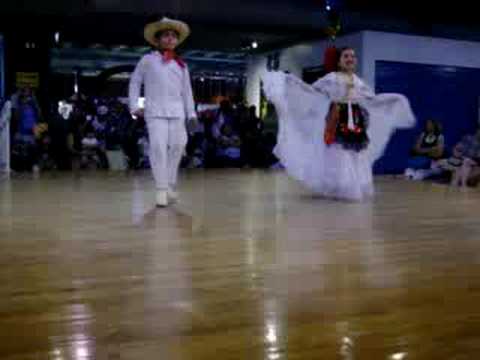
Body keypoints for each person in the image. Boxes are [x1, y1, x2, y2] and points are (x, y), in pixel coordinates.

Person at [262, 47, 415, 201]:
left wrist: (393, 98)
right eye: (346, 56)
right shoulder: (331, 78)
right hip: (336, 117)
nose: (350, 59)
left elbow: (372, 99)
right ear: (339, 61)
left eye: (353, 56)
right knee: (338, 151)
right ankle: (339, 186)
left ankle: (353, 185)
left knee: (356, 152)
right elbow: (312, 91)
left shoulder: (358, 81)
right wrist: (291, 82)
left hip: (355, 119)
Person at [129, 17, 196, 207]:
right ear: (157, 40)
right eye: (166, 35)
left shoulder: (181, 65)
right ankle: (161, 188)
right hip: (155, 111)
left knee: (178, 146)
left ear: (177, 41)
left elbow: (187, 91)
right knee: (158, 147)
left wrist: (191, 114)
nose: (170, 38)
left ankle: (170, 185)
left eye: (173, 36)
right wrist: (134, 106)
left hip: (177, 112)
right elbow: (135, 82)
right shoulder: (147, 60)